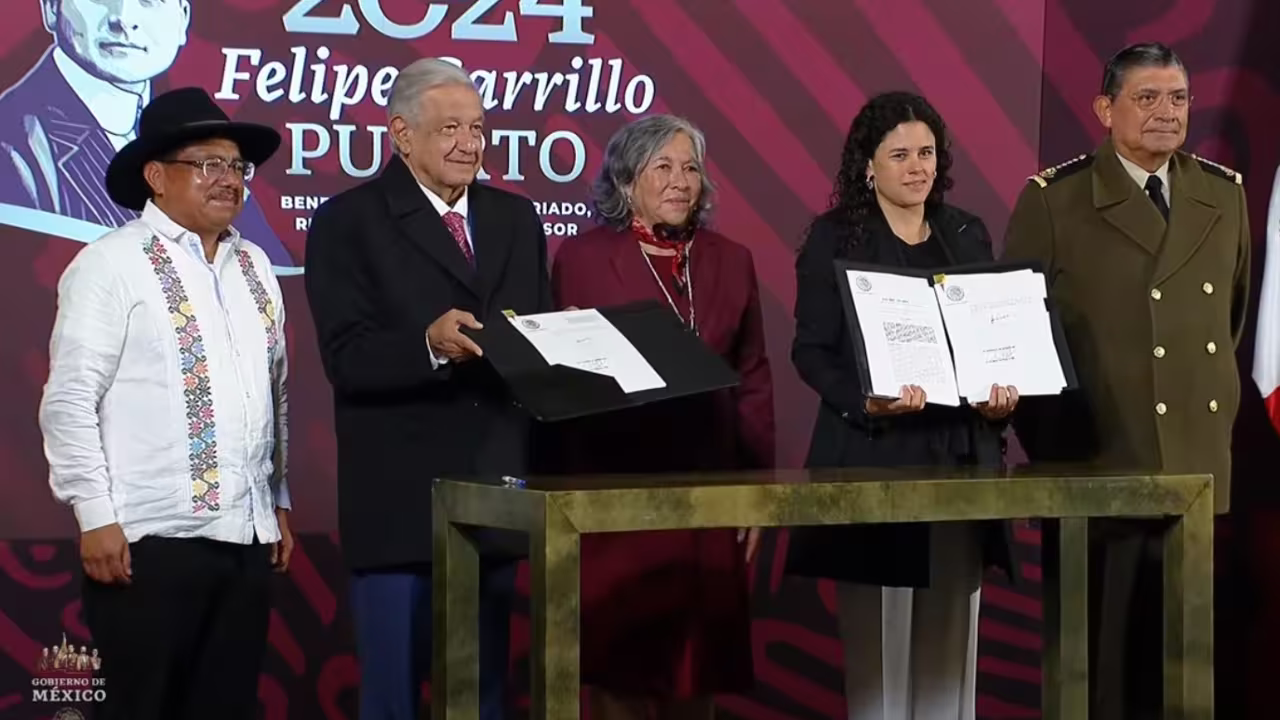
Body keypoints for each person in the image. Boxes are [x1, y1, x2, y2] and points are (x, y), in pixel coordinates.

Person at [1002, 42, 1251, 720]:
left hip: (1193, 467)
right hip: (1097, 465)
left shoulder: (1222, 194)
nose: (1167, 112)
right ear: (1105, 109)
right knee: (1098, 676)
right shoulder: (1056, 199)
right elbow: (1016, 333)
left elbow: (1228, 322)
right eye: (1147, 98)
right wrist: (1057, 442)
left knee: (1182, 674)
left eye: (1178, 98)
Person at [304, 58, 552, 720]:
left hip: (495, 495)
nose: (469, 144)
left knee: (483, 697)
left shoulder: (515, 218)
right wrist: (429, 345)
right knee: (393, 700)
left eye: (478, 129)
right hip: (399, 504)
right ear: (401, 134)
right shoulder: (347, 221)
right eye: (450, 129)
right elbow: (346, 357)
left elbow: (538, 339)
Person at [37, 86, 293, 720]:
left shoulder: (257, 265)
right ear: (155, 176)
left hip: (246, 539)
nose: (228, 179)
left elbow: (276, 394)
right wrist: (94, 515)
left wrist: (277, 503)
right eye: (207, 163)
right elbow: (69, 400)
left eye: (236, 165)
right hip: (146, 542)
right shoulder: (109, 264)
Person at [783, 91, 1018, 720]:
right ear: (868, 165)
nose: (918, 168)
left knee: (951, 661)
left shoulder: (966, 232)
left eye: (927, 153)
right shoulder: (835, 237)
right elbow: (810, 352)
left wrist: (1001, 402)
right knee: (880, 668)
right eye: (900, 155)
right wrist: (868, 402)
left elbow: (991, 339)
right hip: (876, 460)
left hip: (961, 462)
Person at [543, 114, 774, 719]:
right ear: (626, 181)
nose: (680, 180)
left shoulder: (732, 259)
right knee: (618, 666)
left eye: (691, 168)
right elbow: (562, 383)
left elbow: (752, 377)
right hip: (614, 494)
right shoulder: (583, 258)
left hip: (707, 491)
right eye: (662, 167)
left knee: (695, 671)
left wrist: (756, 489)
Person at [0, 0, 293, 267]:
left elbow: (273, 273)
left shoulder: (197, 134)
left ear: (183, 18)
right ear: (52, 8)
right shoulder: (13, 144)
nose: (123, 19)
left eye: (150, 1)